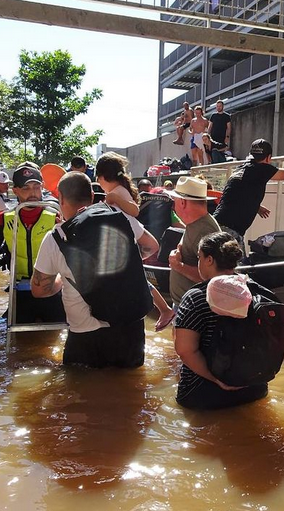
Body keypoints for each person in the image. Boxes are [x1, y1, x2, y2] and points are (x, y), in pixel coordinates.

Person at [31, 172, 157, 368]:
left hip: (85, 335)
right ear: (91, 196)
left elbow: (40, 290)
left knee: (81, 393)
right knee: (131, 389)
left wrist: (63, 276)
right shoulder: (122, 218)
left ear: (60, 198)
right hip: (130, 330)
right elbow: (152, 246)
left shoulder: (56, 237)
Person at [174, 231, 269, 409]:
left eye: (199, 257)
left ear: (209, 260)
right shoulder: (256, 292)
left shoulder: (195, 297)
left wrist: (219, 380)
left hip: (203, 395)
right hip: (254, 390)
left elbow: (185, 350)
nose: (199, 262)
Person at [0, 164, 66, 324]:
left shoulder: (57, 216)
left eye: (36, 187)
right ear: (15, 190)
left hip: (52, 290)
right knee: (9, 335)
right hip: (21, 290)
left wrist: (65, 228)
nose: (33, 193)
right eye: (26, 188)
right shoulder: (4, 218)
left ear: (42, 187)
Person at [94, 153, 175, 331]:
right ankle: (165, 310)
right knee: (140, 280)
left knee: (140, 281)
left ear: (102, 177)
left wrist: (115, 200)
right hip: (130, 243)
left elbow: (134, 210)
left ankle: (165, 310)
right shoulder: (120, 190)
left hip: (127, 243)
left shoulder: (116, 194)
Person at [213, 138, 284, 245]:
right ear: (268, 158)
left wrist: (256, 207)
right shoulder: (262, 168)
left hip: (216, 225)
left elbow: (236, 195)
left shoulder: (241, 169)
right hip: (230, 231)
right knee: (236, 265)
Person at [168, 177, 220, 306]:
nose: (173, 205)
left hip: (194, 310)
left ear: (183, 202)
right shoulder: (195, 224)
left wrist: (178, 266)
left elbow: (213, 275)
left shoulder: (204, 231)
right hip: (187, 305)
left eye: (175, 201)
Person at [94, 152, 140, 217]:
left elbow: (135, 211)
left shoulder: (119, 190)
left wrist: (116, 199)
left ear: (102, 177)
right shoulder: (117, 190)